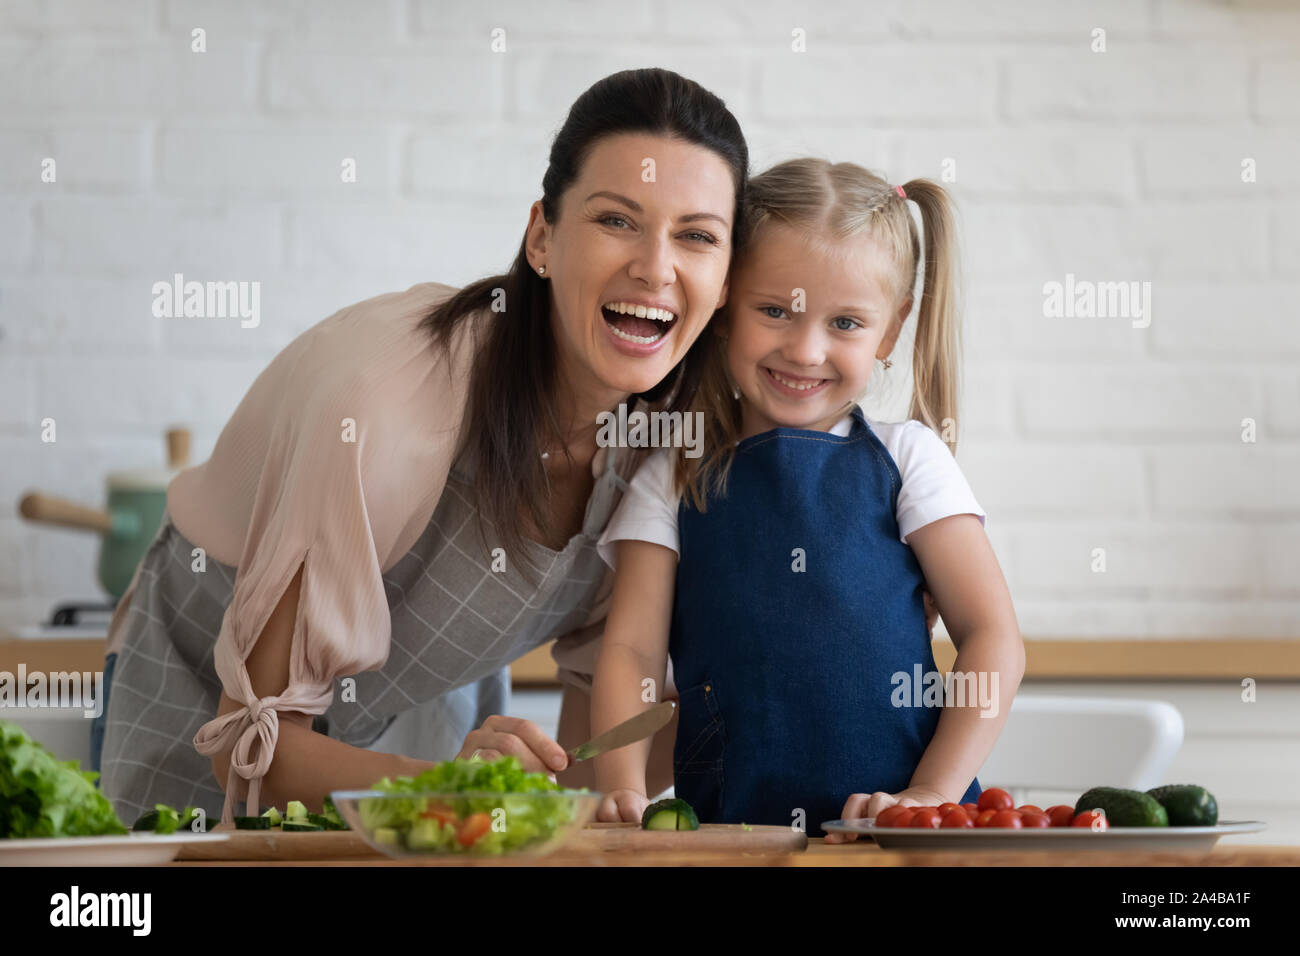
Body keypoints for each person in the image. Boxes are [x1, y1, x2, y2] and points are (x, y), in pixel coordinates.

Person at [93, 67, 749, 827]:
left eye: (697, 236)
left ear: (727, 274)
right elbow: (252, 745)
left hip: (426, 716)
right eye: (616, 221)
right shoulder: (381, 405)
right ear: (542, 237)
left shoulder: (663, 446)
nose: (656, 266)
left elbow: (589, 753)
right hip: (199, 699)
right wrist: (451, 787)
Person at [587, 159, 1026, 837]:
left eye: (846, 323)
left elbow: (991, 636)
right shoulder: (673, 475)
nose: (805, 349)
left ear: (890, 330)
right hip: (732, 837)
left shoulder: (911, 460)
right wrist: (619, 783)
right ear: (726, 304)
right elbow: (632, 655)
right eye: (773, 311)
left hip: (902, 839)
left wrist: (930, 791)